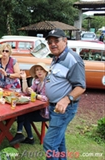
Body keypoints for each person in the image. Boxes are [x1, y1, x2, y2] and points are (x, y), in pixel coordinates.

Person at [43, 28, 86, 160]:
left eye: (56, 40)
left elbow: (81, 87)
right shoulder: (57, 57)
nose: (53, 44)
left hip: (64, 109)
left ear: (65, 41)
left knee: (49, 144)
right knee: (59, 141)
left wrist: (66, 100)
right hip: (55, 107)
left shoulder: (73, 59)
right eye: (50, 42)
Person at [9, 63, 49, 146]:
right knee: (21, 111)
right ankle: (21, 134)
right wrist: (24, 79)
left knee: (24, 115)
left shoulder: (48, 83)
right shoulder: (37, 81)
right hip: (38, 108)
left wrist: (35, 94)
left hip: (46, 112)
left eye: (41, 69)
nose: (39, 71)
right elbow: (26, 91)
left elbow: (47, 98)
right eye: (37, 70)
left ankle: (27, 137)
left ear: (45, 72)